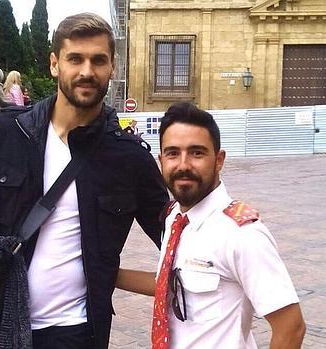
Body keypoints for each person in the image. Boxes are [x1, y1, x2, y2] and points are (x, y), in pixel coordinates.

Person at [0, 12, 169, 349]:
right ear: (55, 64)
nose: (87, 71)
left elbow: (175, 237)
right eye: (76, 59)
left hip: (75, 333)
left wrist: (222, 219)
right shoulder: (7, 133)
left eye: (98, 60)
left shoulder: (129, 157)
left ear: (112, 68)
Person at [116, 102, 306, 349]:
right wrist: (106, 275)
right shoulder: (175, 217)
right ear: (161, 160)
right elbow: (170, 285)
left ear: (218, 160)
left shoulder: (241, 234)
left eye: (197, 153)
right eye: (173, 153)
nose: (183, 165)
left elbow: (291, 327)